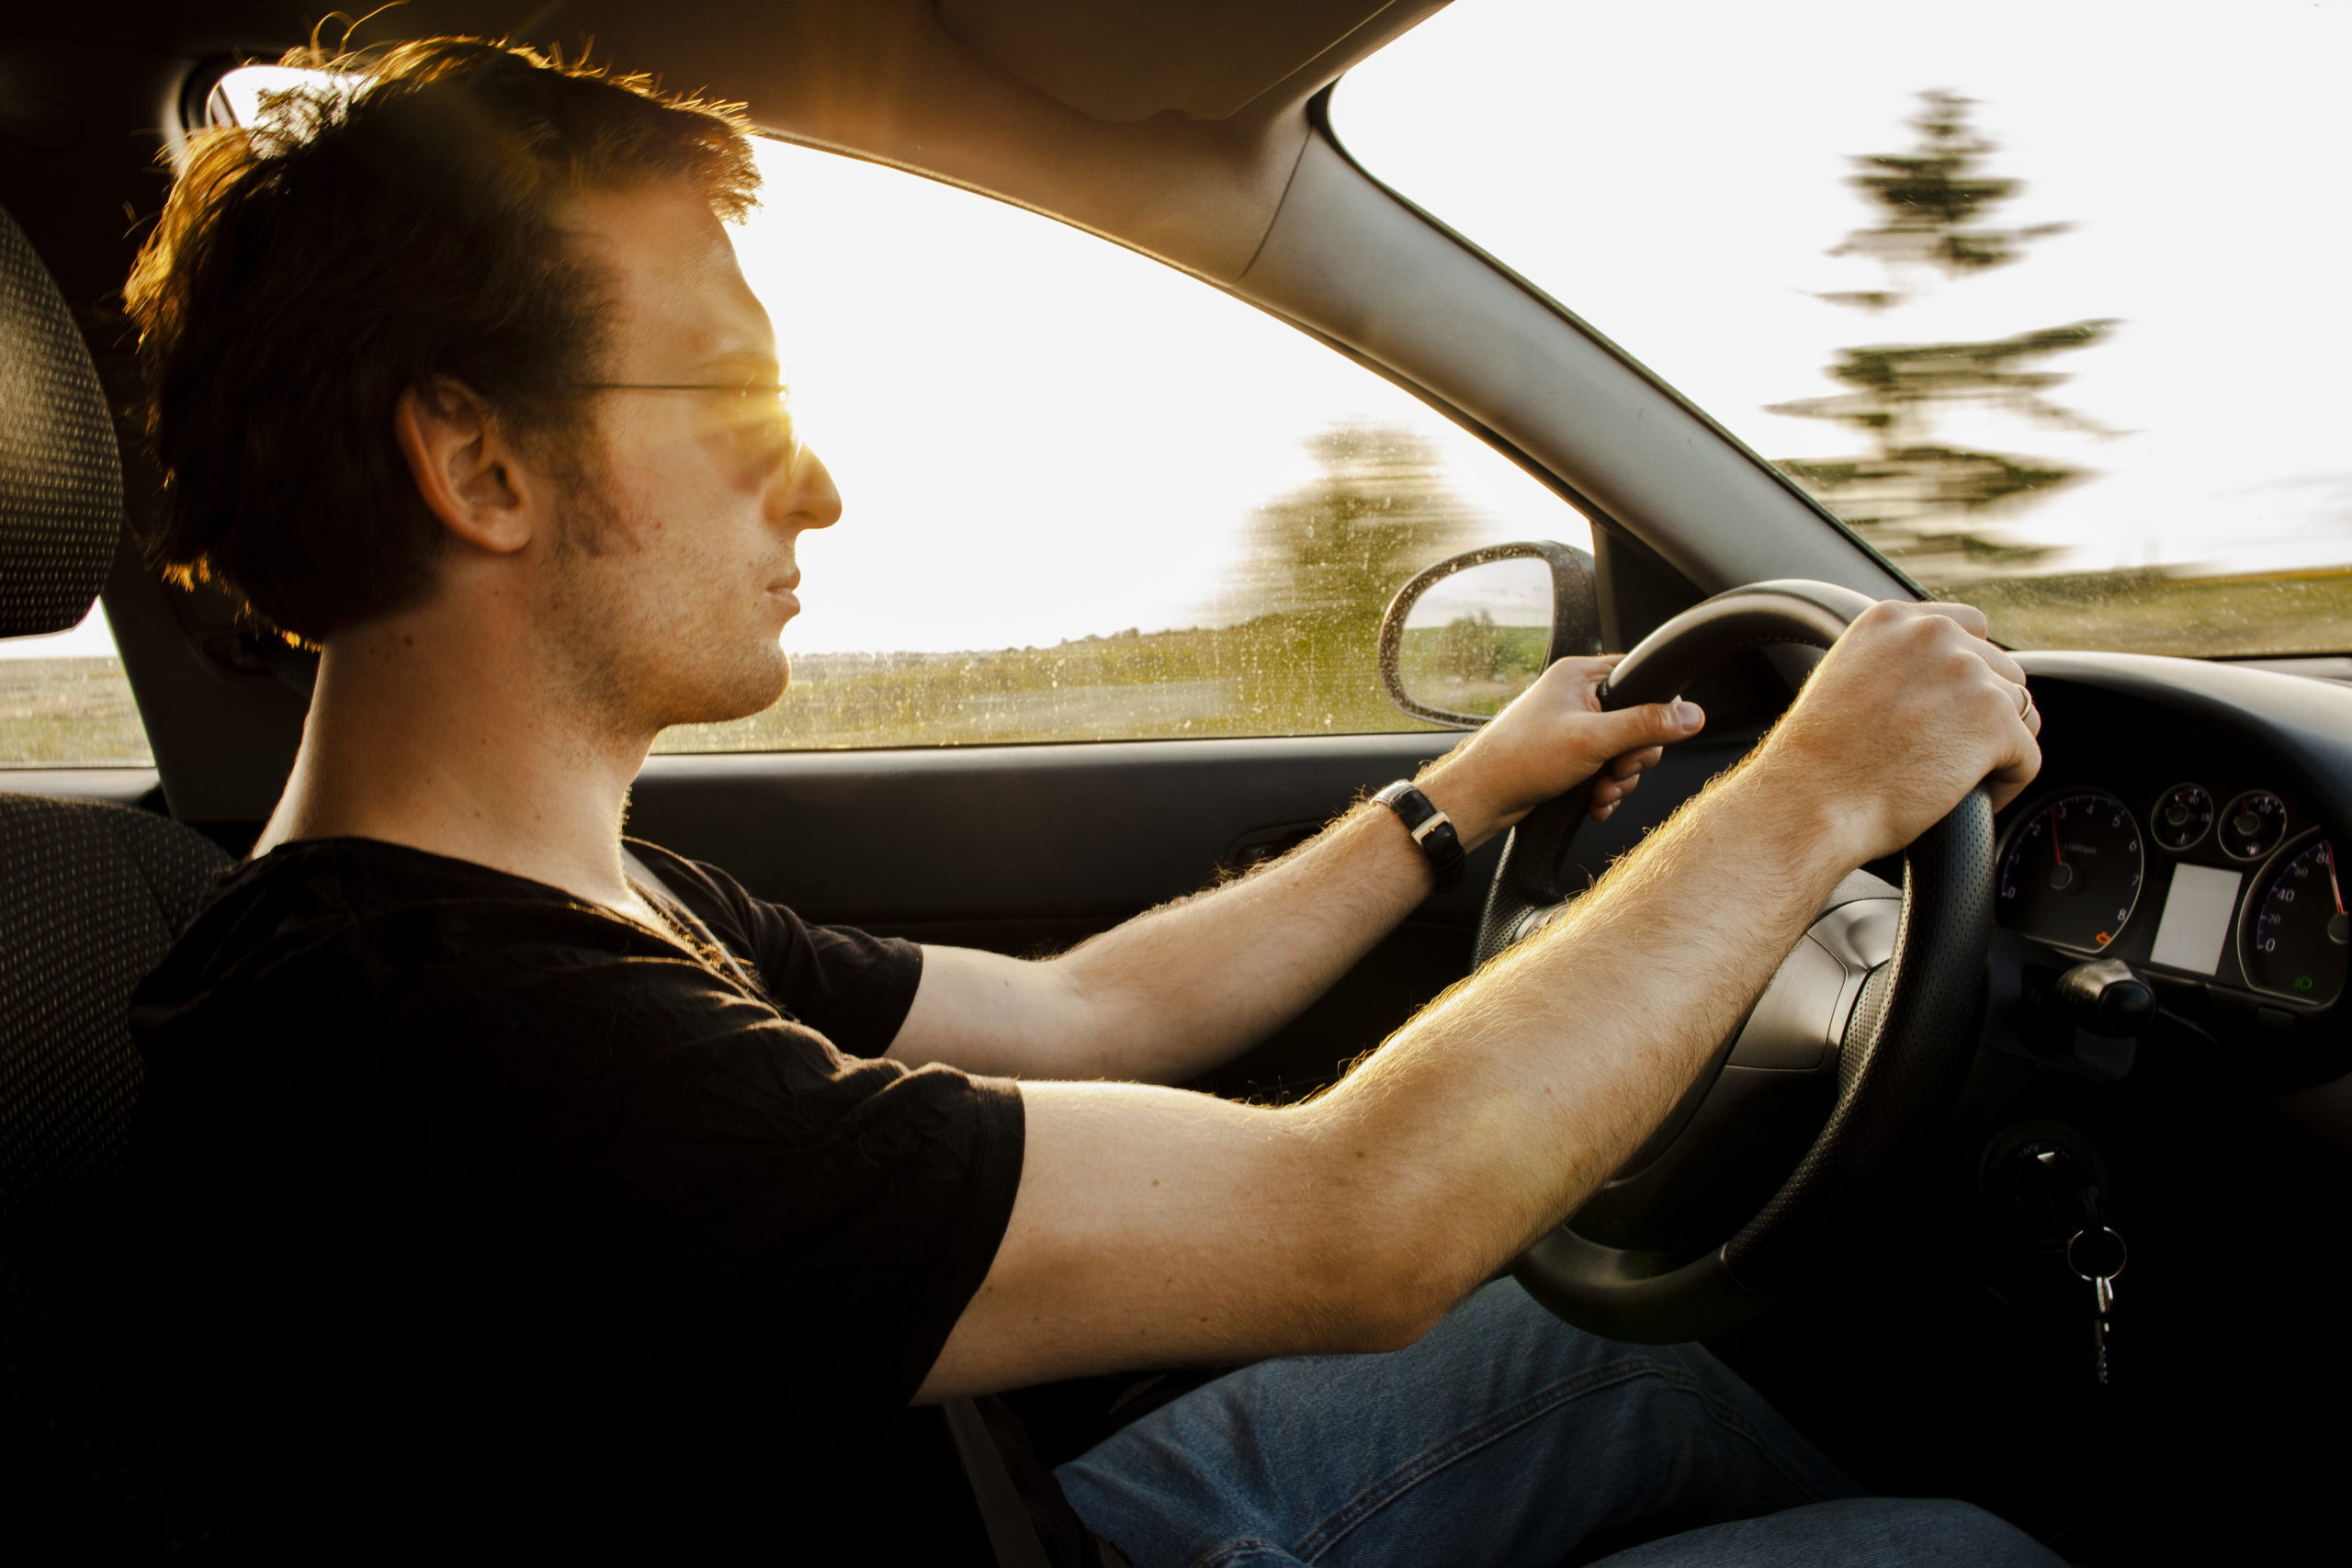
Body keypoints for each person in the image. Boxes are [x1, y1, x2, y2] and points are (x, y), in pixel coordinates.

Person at [111, 37, 2062, 1566]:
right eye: (725, 400)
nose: (814, 488)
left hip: (1036, 1525)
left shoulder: (531, 910)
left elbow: (1086, 1011)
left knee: (1675, 1346)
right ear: (477, 460)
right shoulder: (468, 1052)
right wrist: (1806, 793)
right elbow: (1358, 1223)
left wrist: (1455, 794)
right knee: (1962, 1543)